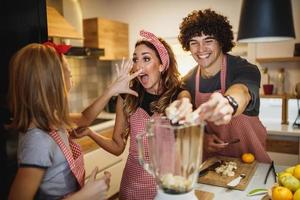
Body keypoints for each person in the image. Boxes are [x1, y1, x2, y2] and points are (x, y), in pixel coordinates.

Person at [7, 42, 141, 200]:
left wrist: (112, 89)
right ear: (53, 82)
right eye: (68, 73)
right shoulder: (38, 141)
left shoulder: (51, 120)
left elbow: (84, 119)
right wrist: (84, 195)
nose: (72, 77)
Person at [73, 30, 192, 200]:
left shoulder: (178, 95)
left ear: (161, 65)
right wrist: (90, 133)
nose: (138, 66)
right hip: (132, 186)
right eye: (135, 59)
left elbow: (185, 100)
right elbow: (117, 146)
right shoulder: (127, 97)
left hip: (167, 186)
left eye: (146, 58)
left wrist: (184, 104)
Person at [174, 9, 271, 163]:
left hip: (253, 163)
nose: (201, 49)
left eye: (208, 40)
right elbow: (184, 101)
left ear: (221, 42)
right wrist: (203, 138)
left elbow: (242, 92)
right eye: (194, 42)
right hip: (213, 166)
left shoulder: (244, 68)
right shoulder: (188, 80)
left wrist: (229, 103)